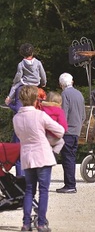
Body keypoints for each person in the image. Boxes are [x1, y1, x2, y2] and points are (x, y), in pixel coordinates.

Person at [13, 85, 64, 232]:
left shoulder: (16, 118)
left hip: (27, 156)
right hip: (42, 155)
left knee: (29, 190)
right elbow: (60, 131)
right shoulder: (40, 115)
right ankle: (41, 224)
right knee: (43, 191)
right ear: (36, 100)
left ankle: (26, 223)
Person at [5, 43, 47, 177]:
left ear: (22, 54)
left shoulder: (21, 64)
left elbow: (18, 76)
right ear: (33, 52)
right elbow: (43, 74)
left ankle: (7, 100)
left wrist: (14, 84)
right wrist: (43, 82)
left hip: (24, 84)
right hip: (35, 85)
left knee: (14, 88)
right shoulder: (38, 62)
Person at [56, 73, 86, 194]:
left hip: (67, 131)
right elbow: (83, 115)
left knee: (67, 159)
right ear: (72, 82)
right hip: (76, 131)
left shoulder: (64, 94)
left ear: (61, 84)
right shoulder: (79, 94)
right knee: (71, 158)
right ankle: (70, 184)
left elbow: (64, 114)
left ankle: (70, 185)